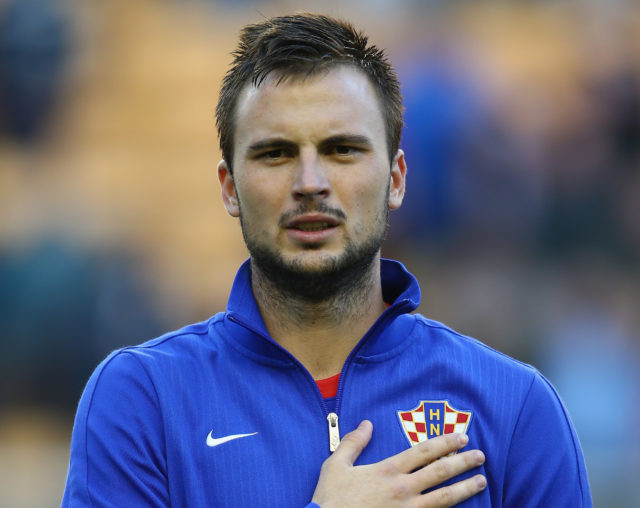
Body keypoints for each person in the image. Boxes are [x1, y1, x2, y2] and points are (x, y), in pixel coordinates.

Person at [62, 13, 592, 507]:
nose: (310, 184)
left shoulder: (515, 406)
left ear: (396, 179)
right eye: (276, 153)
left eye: (342, 150)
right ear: (228, 188)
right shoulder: (142, 399)